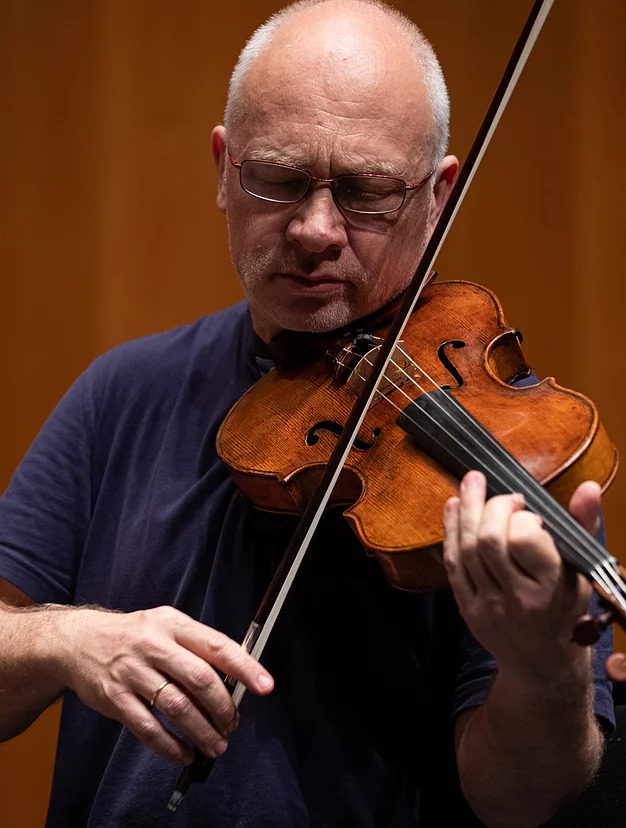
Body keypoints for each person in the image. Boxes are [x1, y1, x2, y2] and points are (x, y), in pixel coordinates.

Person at [0, 1, 614, 826]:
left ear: (438, 196)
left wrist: (545, 672)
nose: (315, 230)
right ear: (224, 169)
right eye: (280, 180)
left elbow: (521, 800)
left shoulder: (516, 460)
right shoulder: (122, 392)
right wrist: (69, 642)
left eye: (365, 193)